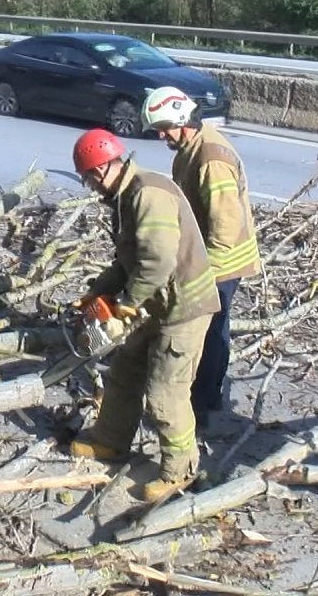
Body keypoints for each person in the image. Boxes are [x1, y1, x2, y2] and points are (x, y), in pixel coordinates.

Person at [68, 128, 221, 501]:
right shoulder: (126, 196)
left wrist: (127, 304)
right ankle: (110, 440)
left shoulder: (147, 195)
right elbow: (127, 261)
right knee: (125, 371)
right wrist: (97, 292)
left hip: (182, 307)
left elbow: (157, 262)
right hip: (156, 303)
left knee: (165, 392)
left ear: (100, 170)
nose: (90, 187)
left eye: (88, 179)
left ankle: (180, 470)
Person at [141, 86, 260, 429]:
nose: (161, 136)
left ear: (182, 120)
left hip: (223, 262)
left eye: (164, 128)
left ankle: (203, 403)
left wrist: (203, 274)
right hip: (208, 256)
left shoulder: (211, 159)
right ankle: (201, 393)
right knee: (207, 329)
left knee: (208, 332)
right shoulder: (191, 146)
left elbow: (224, 226)